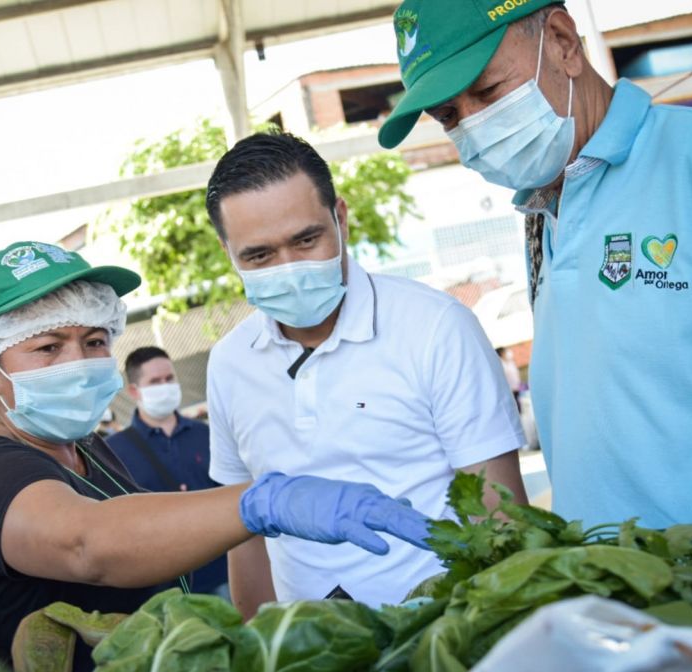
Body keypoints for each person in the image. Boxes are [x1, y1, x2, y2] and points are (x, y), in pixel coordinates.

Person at [378, 1, 692, 577]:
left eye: (485, 92)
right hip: (625, 626)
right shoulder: (540, 212)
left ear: (562, 41)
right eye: (449, 116)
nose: (472, 128)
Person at [0, 240, 437, 672]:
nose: (78, 363)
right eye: (48, 348)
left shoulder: (87, 449)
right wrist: (263, 502)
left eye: (94, 342)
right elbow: (86, 543)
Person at [203, 131, 528, 617]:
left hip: (442, 636)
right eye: (260, 256)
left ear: (341, 218)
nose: (289, 269)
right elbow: (242, 532)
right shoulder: (230, 363)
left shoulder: (435, 328)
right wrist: (261, 649)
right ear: (228, 251)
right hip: (314, 652)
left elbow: (499, 512)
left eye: (306, 239)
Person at [106, 346, 229, 597]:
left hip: (222, 573)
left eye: (169, 379)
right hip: (163, 586)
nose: (165, 386)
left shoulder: (206, 434)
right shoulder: (115, 452)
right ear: (133, 391)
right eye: (154, 381)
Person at [496, 347, 522, 413]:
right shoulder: (500, 364)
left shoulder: (510, 362)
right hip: (509, 389)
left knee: (518, 404)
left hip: (516, 387)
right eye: (505, 352)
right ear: (501, 353)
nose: (507, 353)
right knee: (514, 407)